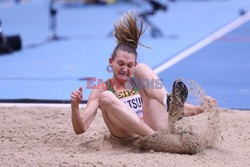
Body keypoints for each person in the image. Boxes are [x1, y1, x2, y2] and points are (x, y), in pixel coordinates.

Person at [70, 11, 217, 139]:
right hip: (128, 135)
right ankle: (153, 138)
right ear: (111, 62)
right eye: (120, 64)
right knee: (106, 97)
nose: (125, 69)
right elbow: (80, 128)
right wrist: (75, 107)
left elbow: (171, 108)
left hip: (154, 125)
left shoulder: (141, 82)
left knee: (143, 69)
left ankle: (168, 102)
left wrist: (202, 108)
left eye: (129, 65)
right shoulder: (102, 87)